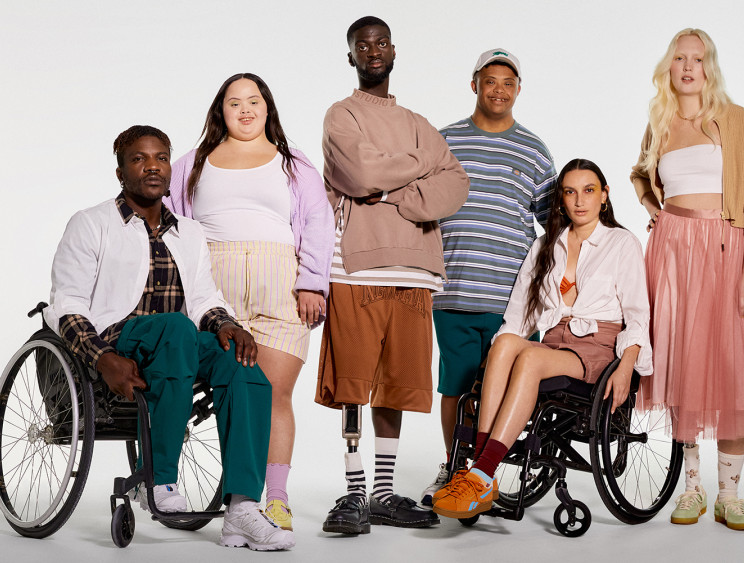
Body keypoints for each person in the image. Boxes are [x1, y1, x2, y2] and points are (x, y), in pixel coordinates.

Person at [45, 125, 293, 550]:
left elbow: (202, 298)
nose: (152, 166)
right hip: (118, 338)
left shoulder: (190, 233)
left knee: (241, 363)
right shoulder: (91, 224)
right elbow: (65, 306)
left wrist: (227, 326)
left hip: (173, 343)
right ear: (121, 171)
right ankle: (158, 480)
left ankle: (242, 507)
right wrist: (103, 358)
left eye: (160, 157)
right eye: (139, 158)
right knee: (177, 328)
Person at [315, 16, 469, 534]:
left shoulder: (419, 123)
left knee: (396, 385)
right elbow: (359, 174)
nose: (373, 51)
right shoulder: (342, 115)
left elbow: (454, 184)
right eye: (363, 45)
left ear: (394, 51)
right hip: (356, 268)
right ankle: (355, 491)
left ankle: (382, 492)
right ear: (352, 56)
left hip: (417, 270)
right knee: (356, 383)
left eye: (381, 43)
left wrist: (390, 191)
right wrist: (414, 169)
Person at [432, 159, 652, 520]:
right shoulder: (545, 246)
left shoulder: (620, 243)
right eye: (570, 192)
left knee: (530, 359)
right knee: (504, 344)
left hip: (597, 346)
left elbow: (638, 314)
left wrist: (627, 367)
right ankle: (480, 473)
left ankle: (481, 473)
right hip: (553, 342)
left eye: (589, 190)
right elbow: (518, 315)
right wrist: (494, 364)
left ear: (604, 196)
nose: (579, 201)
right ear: (561, 200)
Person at [165, 73, 333, 535]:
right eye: (234, 102)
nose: (244, 109)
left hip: (279, 285)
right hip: (211, 289)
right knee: (221, 392)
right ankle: (206, 495)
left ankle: (274, 501)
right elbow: (166, 217)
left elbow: (318, 223)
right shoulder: (193, 163)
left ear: (267, 108)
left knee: (274, 395)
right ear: (220, 111)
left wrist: (312, 285)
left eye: (253, 101)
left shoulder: (293, 164)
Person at [630, 29, 744, 531]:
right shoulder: (660, 123)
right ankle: (691, 487)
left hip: (723, 252)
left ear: (709, 67)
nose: (688, 67)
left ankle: (730, 493)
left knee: (731, 368)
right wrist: (656, 213)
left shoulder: (733, 121)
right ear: (668, 67)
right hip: (671, 254)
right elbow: (641, 177)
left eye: (698, 58)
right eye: (679, 58)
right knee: (681, 364)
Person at [423, 48, 556, 506]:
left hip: (514, 300)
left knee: (510, 386)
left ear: (518, 90)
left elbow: (552, 224)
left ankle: (489, 472)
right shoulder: (445, 141)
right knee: (458, 387)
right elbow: (424, 207)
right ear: (475, 83)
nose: (499, 89)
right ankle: (454, 467)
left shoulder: (535, 150)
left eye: (508, 82)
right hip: (455, 291)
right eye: (490, 80)